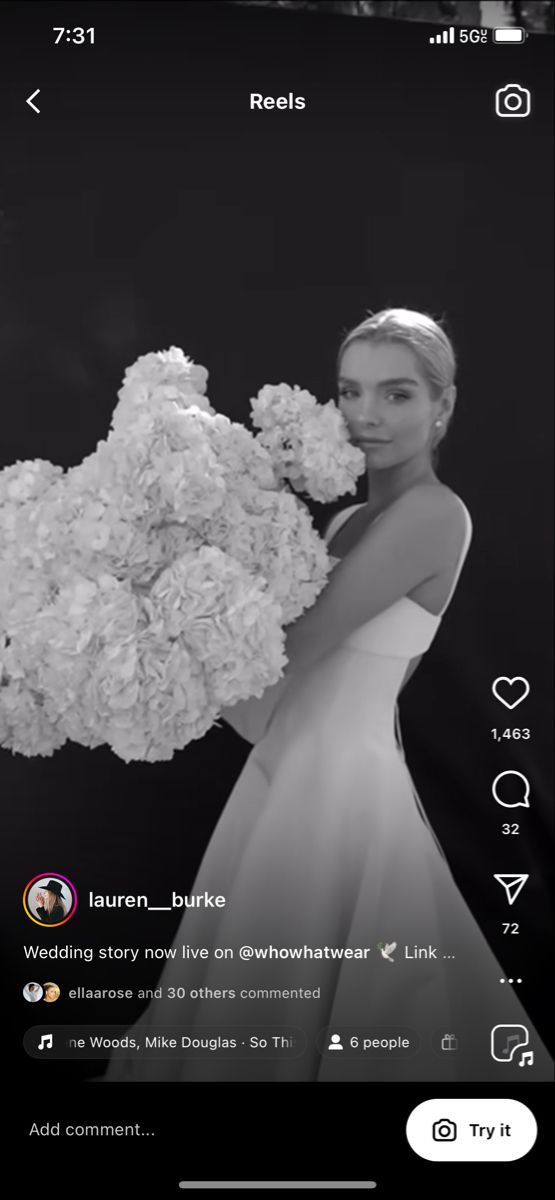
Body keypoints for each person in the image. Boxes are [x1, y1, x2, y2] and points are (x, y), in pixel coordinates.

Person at [104, 308, 553, 1083]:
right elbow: (273, 698)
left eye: (397, 395)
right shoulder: (344, 519)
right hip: (283, 776)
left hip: (340, 793)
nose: (365, 415)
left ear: (443, 407)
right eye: (350, 391)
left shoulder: (436, 516)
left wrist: (171, 596)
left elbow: (291, 650)